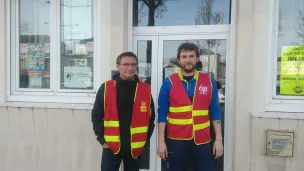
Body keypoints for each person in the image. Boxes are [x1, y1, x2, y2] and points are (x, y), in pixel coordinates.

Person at [157, 43, 223, 171]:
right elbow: (162, 113)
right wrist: (161, 142)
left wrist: (219, 140)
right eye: (184, 56)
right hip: (176, 140)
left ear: (197, 58)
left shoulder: (208, 81)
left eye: (191, 56)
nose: (188, 60)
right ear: (179, 59)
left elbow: (215, 111)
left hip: (203, 140)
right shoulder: (168, 82)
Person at [91, 52, 155, 171]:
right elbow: (96, 116)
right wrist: (103, 141)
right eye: (126, 64)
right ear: (118, 66)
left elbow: (151, 118)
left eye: (133, 64)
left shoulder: (145, 89)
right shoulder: (106, 88)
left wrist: (144, 141)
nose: (130, 68)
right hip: (111, 146)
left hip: (135, 148)